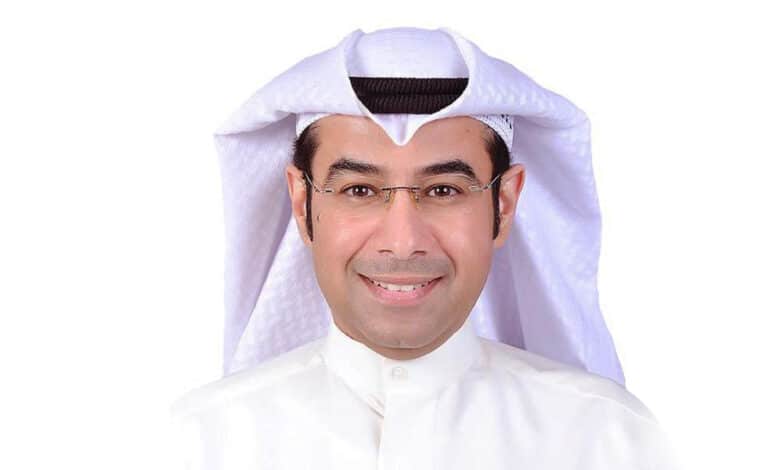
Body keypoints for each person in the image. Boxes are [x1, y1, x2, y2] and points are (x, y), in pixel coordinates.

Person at [170, 26, 679, 469]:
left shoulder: (609, 442)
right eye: (360, 190)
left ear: (504, 204)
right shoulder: (196, 445)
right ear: (303, 204)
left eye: (443, 191)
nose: (403, 241)